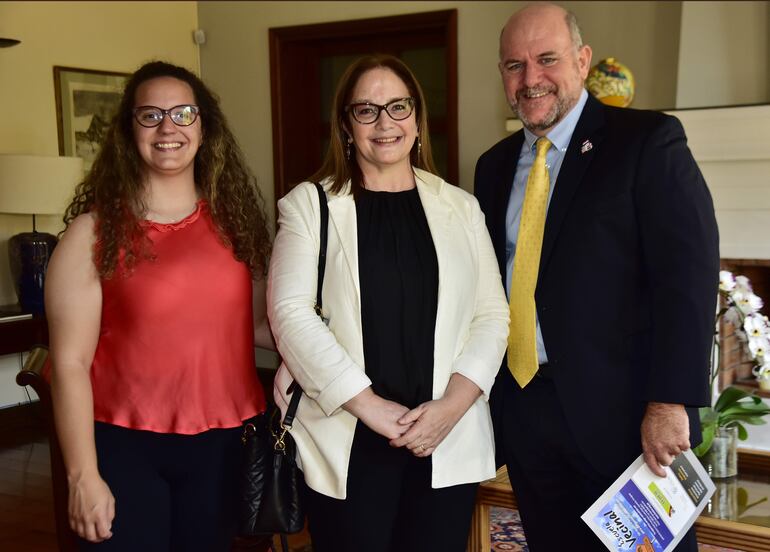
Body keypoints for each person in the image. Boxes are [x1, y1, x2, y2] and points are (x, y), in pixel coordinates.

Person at [474, 4, 720, 551]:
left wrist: (670, 401)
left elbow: (688, 277)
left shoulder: (647, 142)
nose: (530, 79)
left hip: (628, 424)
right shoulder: (491, 167)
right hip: (527, 414)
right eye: (514, 65)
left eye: (546, 59)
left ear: (582, 61)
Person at [267, 54, 509, 552]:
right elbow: (290, 314)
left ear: (417, 118)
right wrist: (372, 408)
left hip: (444, 437)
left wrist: (450, 408)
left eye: (398, 107)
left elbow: (492, 315)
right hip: (349, 436)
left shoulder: (461, 208)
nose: (385, 123)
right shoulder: (309, 205)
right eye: (367, 110)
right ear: (345, 125)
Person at [45, 61, 274, 551]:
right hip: (122, 447)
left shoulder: (238, 226)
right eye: (150, 115)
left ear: (203, 126)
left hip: (223, 447)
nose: (167, 127)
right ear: (129, 131)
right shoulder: (92, 233)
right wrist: (82, 476)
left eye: (183, 113)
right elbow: (69, 363)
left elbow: (257, 326)